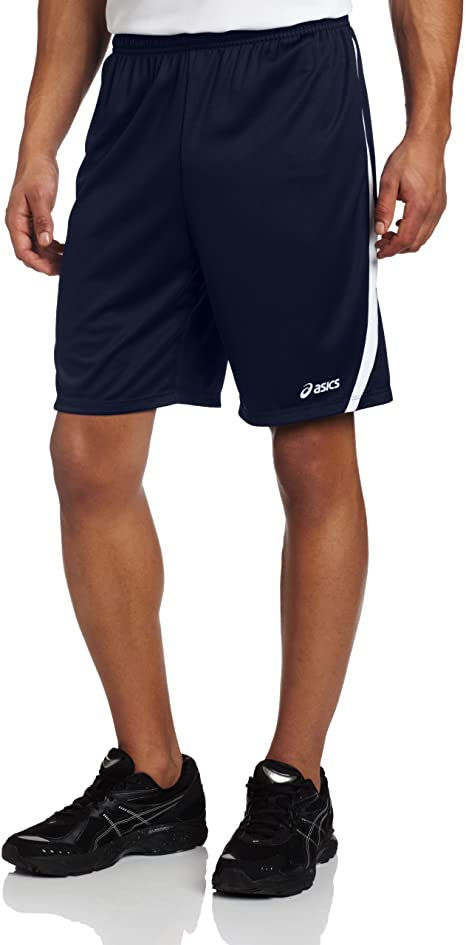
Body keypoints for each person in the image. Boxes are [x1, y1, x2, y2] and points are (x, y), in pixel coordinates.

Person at [2, 0, 461, 897]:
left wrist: (430, 127)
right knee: (88, 453)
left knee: (311, 449)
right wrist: (37, 139)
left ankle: (296, 782)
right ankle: (152, 777)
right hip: (138, 94)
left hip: (291, 80)